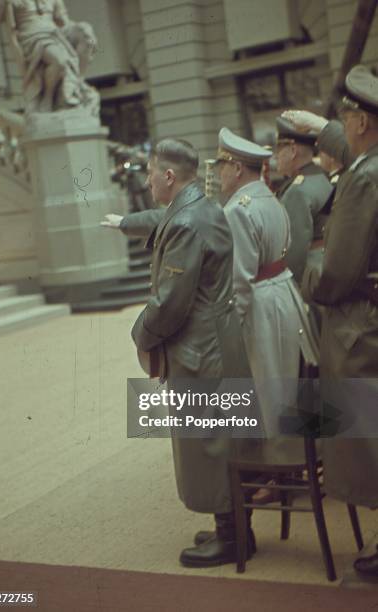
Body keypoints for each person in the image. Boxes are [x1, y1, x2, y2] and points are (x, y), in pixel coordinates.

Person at [102, 138, 252, 568]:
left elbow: (170, 302)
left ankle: (232, 538)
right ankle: (235, 527)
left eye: (150, 172)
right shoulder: (198, 208)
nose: (146, 179)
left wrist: (140, 333)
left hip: (199, 347)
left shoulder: (187, 221)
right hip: (215, 340)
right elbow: (158, 220)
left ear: (169, 176)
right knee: (218, 435)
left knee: (207, 441)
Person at [283, 64, 378, 577]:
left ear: (361, 121)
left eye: (346, 115)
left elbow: (339, 270)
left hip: (361, 324)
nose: (344, 124)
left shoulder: (365, 176)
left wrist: (309, 281)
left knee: (368, 437)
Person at [213, 128, 318, 504]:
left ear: (238, 169)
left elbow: (239, 282)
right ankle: (292, 465)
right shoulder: (272, 198)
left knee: (267, 387)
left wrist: (229, 334)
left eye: (223, 165)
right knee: (287, 384)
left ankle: (278, 474)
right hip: (283, 296)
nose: (219, 173)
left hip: (260, 302)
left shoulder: (237, 210)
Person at [0, 0, 98, 114]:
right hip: (32, 35)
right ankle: (48, 97)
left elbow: (63, 22)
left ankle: (76, 84)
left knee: (87, 34)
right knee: (60, 61)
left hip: (54, 33)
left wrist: (83, 30)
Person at [274, 117, 333, 284]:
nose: (276, 155)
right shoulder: (322, 178)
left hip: (311, 277)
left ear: (293, 150)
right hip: (328, 266)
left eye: (279, 148)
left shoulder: (297, 191)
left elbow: (294, 252)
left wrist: (292, 287)